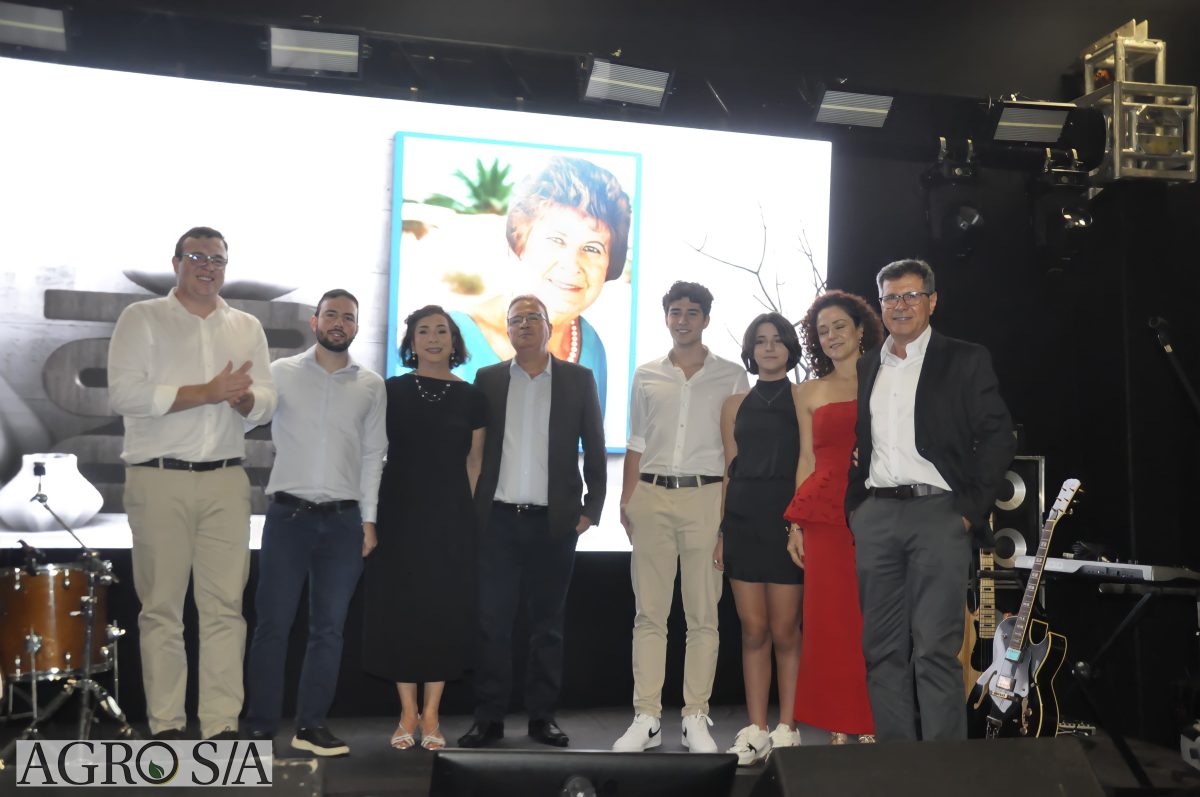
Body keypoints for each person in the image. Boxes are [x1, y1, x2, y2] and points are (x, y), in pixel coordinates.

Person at [107, 226, 277, 740]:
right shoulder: (142, 318)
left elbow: (267, 399)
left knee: (226, 609)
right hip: (158, 478)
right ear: (176, 262)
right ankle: (167, 725)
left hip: (226, 479)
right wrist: (207, 391)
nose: (208, 266)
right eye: (197, 257)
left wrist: (245, 401)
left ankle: (221, 725)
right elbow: (125, 394)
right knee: (161, 610)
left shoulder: (246, 325)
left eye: (217, 259)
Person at [845, 259, 1015, 742]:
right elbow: (865, 442)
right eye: (891, 297)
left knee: (936, 650)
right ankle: (898, 766)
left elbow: (998, 436)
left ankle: (944, 771)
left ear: (932, 301)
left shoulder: (963, 358)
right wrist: (857, 509)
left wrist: (968, 512)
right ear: (881, 304)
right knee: (881, 651)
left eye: (911, 295)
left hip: (939, 516)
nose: (900, 305)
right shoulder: (869, 364)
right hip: (877, 515)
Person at [457, 294, 606, 749]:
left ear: (548, 326)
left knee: (548, 627)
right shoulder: (488, 379)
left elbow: (595, 447)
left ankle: (542, 718)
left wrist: (591, 510)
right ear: (507, 329)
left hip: (553, 525)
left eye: (532, 317)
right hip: (497, 523)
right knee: (492, 625)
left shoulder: (578, 379)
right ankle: (489, 718)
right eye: (516, 319)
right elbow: (473, 450)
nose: (524, 324)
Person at [243, 289, 386, 757]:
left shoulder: (371, 384)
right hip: (289, 517)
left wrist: (369, 521)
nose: (339, 323)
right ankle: (261, 724)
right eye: (331, 315)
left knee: (329, 629)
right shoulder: (280, 372)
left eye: (348, 317)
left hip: (345, 523)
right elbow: (245, 421)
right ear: (315, 321)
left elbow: (373, 456)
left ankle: (311, 725)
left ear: (357, 327)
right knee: (272, 625)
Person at [613, 282, 748, 754]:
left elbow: (736, 452)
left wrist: (728, 516)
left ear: (706, 319)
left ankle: (694, 717)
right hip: (651, 496)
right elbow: (636, 441)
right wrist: (627, 499)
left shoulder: (732, 376)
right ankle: (646, 716)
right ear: (666, 317)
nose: (683, 319)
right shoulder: (646, 374)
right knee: (649, 613)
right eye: (675, 311)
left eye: (692, 312)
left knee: (703, 615)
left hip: (706, 499)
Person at [362, 305, 486, 752]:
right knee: (401, 611)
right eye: (424, 331)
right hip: (398, 514)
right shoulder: (391, 389)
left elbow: (475, 464)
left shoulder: (473, 396)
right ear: (411, 342)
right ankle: (407, 712)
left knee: (443, 612)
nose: (433, 339)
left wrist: (471, 521)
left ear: (455, 341)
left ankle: (432, 712)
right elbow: (373, 453)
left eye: (442, 331)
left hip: (451, 518)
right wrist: (369, 518)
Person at [447, 156, 633, 413]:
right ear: (519, 241)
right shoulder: (444, 338)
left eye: (592, 248)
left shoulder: (591, 345)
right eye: (556, 240)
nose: (572, 264)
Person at [784, 290, 884, 745]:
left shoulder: (885, 379)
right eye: (822, 331)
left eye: (839, 326)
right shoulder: (807, 390)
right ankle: (840, 721)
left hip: (878, 508)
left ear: (861, 329)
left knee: (872, 616)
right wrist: (795, 524)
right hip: (824, 515)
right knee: (829, 620)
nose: (831, 336)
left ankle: (872, 717)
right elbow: (806, 459)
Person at [713, 313, 805, 765]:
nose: (769, 348)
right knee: (753, 630)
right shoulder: (734, 404)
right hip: (743, 522)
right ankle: (757, 730)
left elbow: (810, 463)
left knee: (785, 630)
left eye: (777, 340)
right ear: (750, 350)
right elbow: (730, 469)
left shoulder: (805, 397)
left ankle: (788, 727)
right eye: (761, 341)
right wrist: (722, 532)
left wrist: (800, 523)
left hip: (787, 521)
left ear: (790, 348)